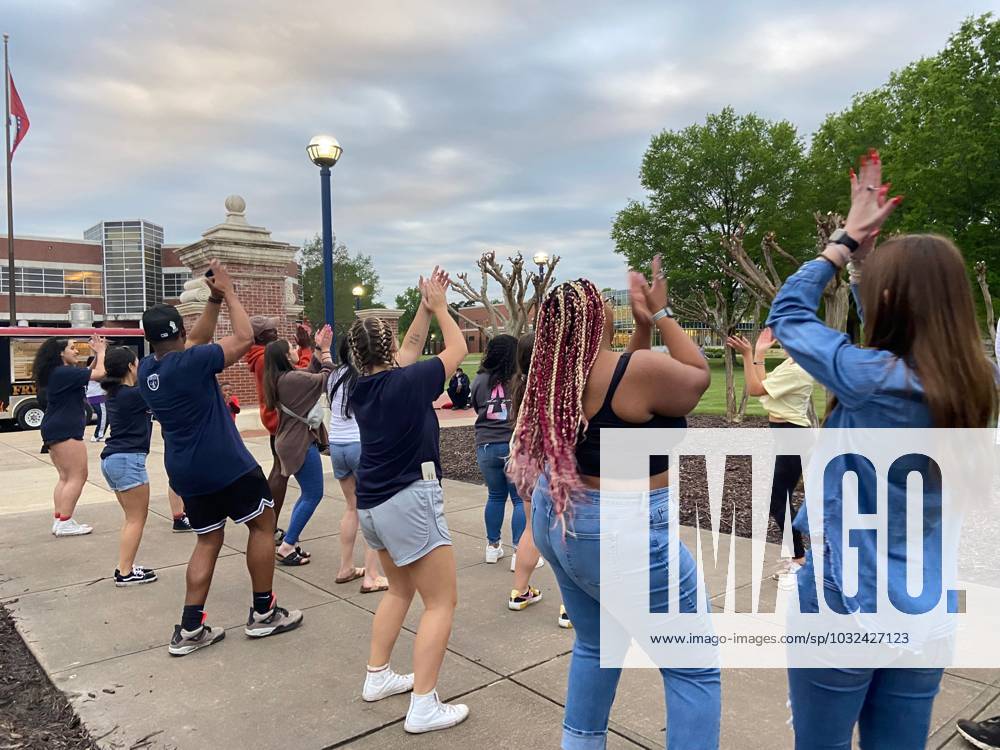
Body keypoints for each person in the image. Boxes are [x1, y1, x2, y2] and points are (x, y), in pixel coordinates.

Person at [768, 150, 997, 750]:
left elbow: (787, 314)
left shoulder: (868, 378)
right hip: (926, 614)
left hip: (846, 607)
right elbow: (897, 335)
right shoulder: (978, 382)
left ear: (894, 297)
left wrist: (842, 244)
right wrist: (868, 264)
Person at [508, 260, 720, 750]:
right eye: (606, 307)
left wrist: (642, 327)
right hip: (620, 527)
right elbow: (697, 377)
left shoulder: (561, 378)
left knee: (595, 645)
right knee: (693, 667)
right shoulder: (633, 373)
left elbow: (627, 387)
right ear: (596, 320)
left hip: (557, 516)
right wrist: (662, 311)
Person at [139, 260, 303, 657]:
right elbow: (244, 337)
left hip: (185, 470)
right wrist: (229, 292)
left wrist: (212, 299)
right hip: (226, 462)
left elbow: (195, 340)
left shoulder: (149, 369)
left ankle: (191, 628)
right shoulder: (192, 362)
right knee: (263, 526)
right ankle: (264, 613)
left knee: (208, 540)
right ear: (177, 331)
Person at [351, 267, 471, 734]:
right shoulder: (409, 382)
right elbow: (457, 350)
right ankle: (424, 705)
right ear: (387, 348)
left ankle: (377, 676)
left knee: (400, 590)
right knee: (441, 603)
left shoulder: (359, 386)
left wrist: (424, 307)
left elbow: (409, 350)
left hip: (374, 505)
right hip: (409, 500)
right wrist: (441, 308)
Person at [726, 326, 814, 583]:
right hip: (786, 435)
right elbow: (764, 384)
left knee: (778, 501)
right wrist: (759, 354)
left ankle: (800, 559)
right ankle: (800, 555)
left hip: (793, 437)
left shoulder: (799, 371)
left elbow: (754, 389)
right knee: (780, 500)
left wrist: (747, 354)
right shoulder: (791, 364)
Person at [506, 332, 570, 626]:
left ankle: (519, 591)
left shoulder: (521, 386)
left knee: (532, 528)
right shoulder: (561, 387)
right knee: (567, 533)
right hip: (554, 465)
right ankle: (570, 606)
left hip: (524, 462)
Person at [265, 326, 334, 566]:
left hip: (292, 441)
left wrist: (316, 347)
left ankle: (290, 542)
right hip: (299, 443)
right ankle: (286, 547)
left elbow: (311, 372)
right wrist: (325, 351)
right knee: (314, 494)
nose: (296, 349)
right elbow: (326, 377)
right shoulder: (291, 379)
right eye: (292, 348)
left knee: (308, 493)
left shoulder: (284, 377)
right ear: (285, 357)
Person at [327, 335, 387, 593]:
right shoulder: (364, 377)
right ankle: (371, 575)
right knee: (372, 509)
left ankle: (346, 567)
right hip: (359, 445)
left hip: (337, 446)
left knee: (351, 508)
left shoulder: (333, 375)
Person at [35, 334, 107, 536]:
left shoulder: (59, 373)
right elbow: (100, 373)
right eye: (72, 348)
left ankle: (61, 519)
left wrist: (95, 354)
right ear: (61, 353)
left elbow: (89, 372)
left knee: (65, 477)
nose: (76, 351)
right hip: (65, 429)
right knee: (78, 476)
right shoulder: (63, 373)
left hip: (55, 427)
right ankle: (65, 522)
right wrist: (101, 352)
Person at [99, 346, 157, 586]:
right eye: (137, 363)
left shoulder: (117, 393)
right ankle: (125, 572)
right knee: (136, 519)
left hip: (114, 460)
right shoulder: (133, 395)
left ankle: (126, 566)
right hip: (127, 460)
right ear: (131, 367)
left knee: (131, 518)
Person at [245, 316, 289, 543]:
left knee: (279, 470)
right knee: (281, 472)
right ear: (262, 336)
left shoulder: (260, 356)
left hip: (273, 418)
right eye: (272, 330)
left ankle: (268, 524)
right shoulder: (264, 358)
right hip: (279, 419)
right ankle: (268, 526)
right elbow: (290, 379)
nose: (277, 332)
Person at [85, 357, 108, 442]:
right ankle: (98, 435)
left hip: (93, 395)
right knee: (103, 415)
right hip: (97, 395)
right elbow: (101, 380)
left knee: (105, 416)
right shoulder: (95, 372)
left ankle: (99, 434)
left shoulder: (87, 370)